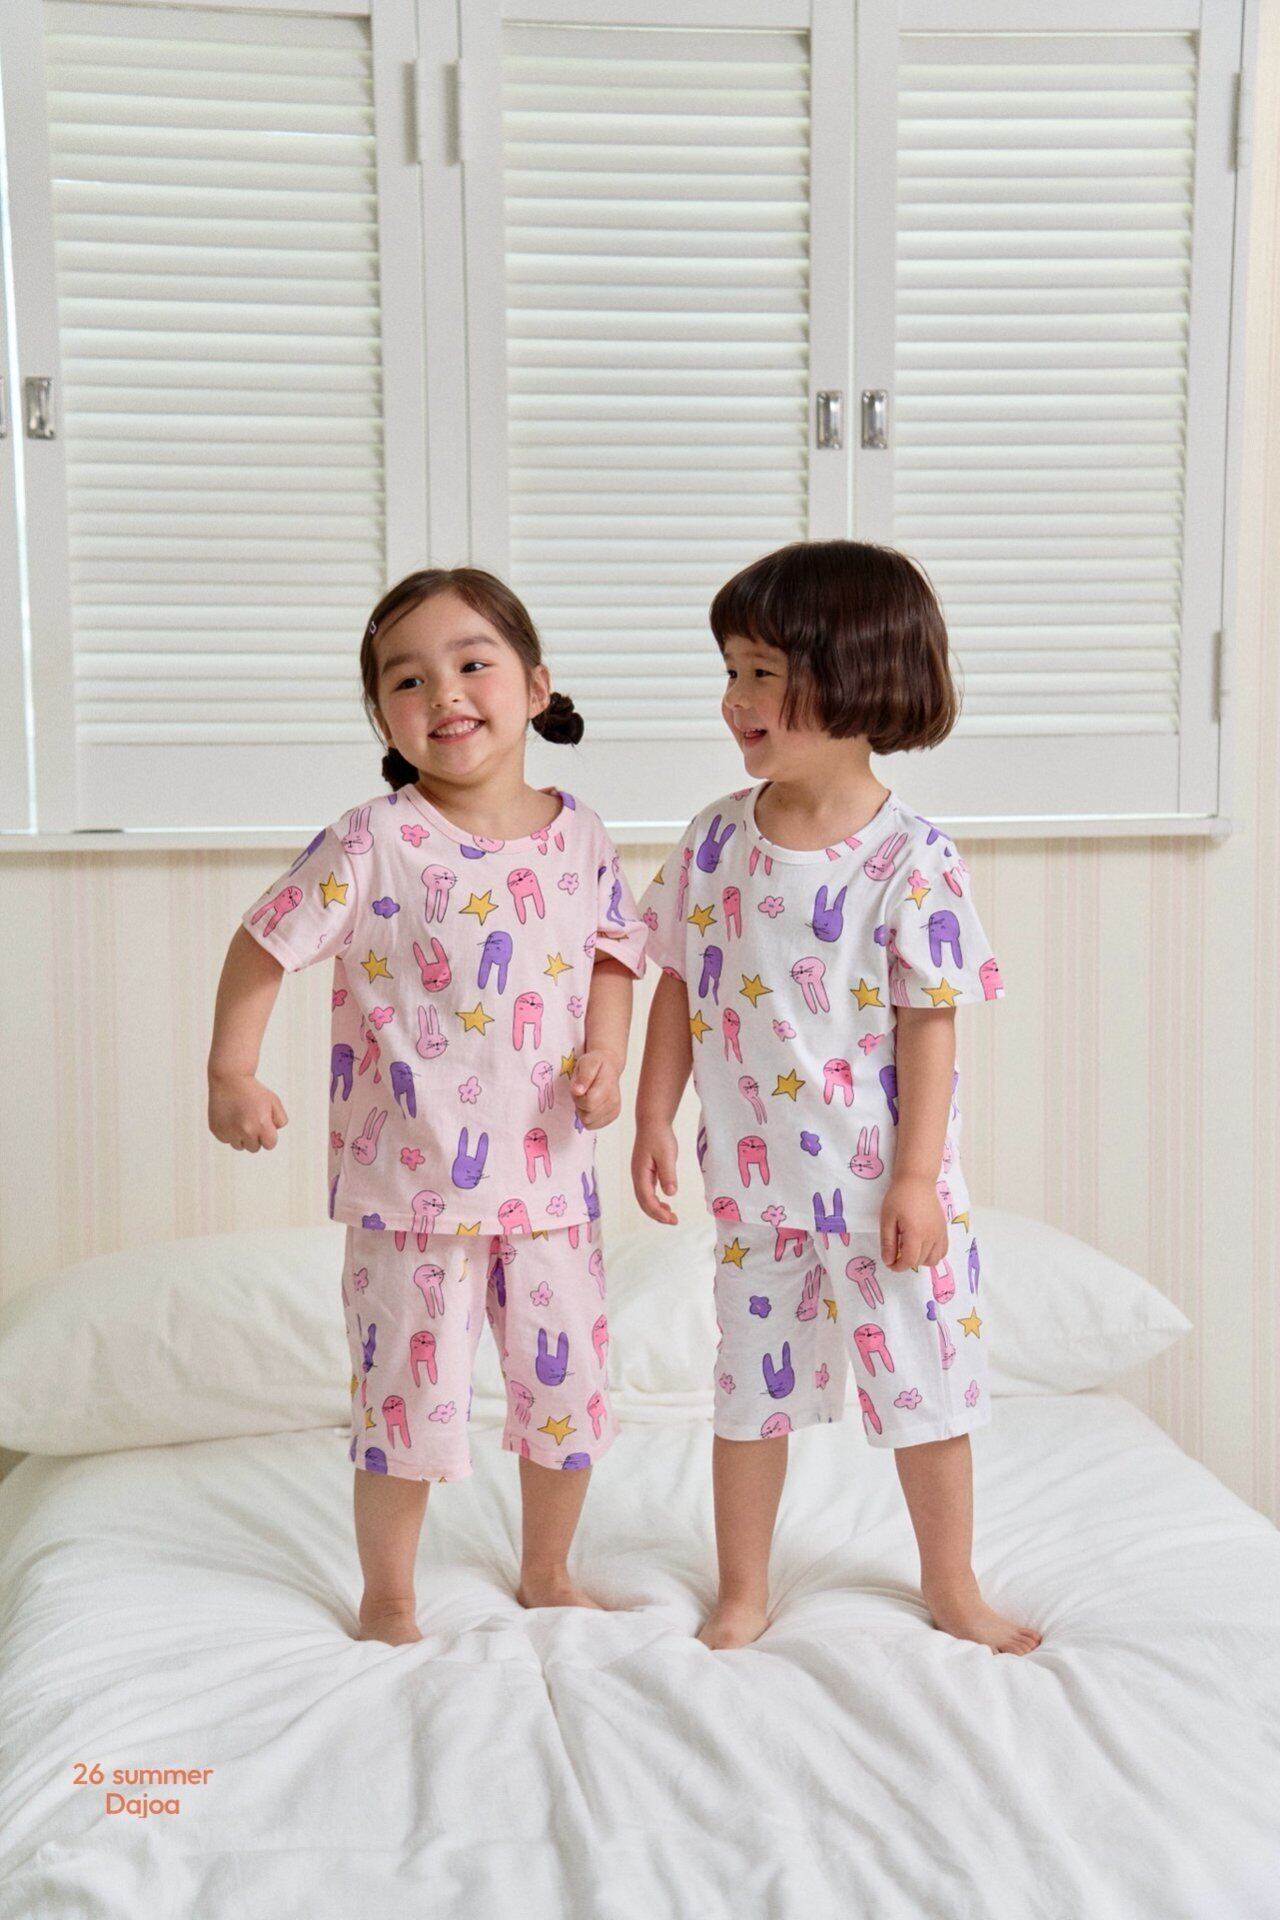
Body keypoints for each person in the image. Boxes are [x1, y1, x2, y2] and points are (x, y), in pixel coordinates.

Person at [207, 567, 648, 1644]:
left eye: (471, 663)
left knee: (567, 1394)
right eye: (406, 679)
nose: (442, 692)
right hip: (407, 1193)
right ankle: (390, 1594)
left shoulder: (581, 836)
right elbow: (264, 942)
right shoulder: (374, 840)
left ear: (535, 687)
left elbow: (615, 953)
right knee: (405, 1406)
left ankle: (547, 1567)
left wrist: (606, 1054)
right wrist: (231, 1070)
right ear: (383, 718)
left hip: (550, 1186)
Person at [632, 539, 1041, 1656]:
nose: (735, 699)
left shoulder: (912, 859)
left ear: (856, 675)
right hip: (755, 1191)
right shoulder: (715, 839)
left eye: (763, 672)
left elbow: (929, 1021)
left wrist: (915, 1178)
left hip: (881, 1196)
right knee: (744, 1396)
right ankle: (742, 1592)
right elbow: (674, 979)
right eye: (730, 670)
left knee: (926, 1390)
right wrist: (653, 1115)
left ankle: (951, 1585)